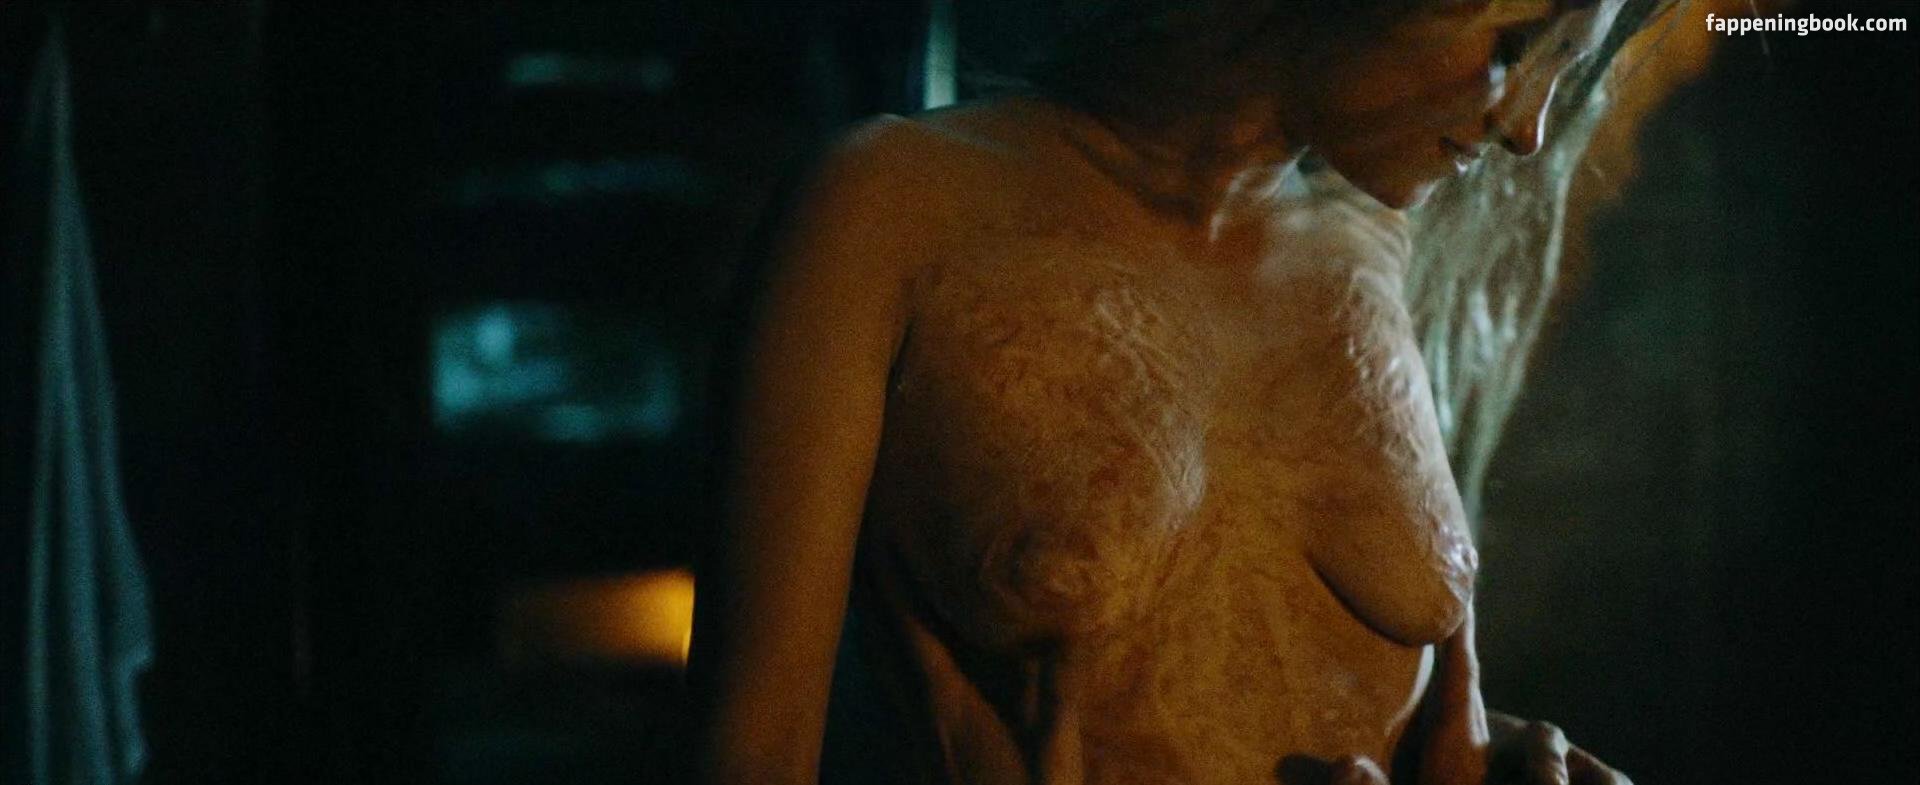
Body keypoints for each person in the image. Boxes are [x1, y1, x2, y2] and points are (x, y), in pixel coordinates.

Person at [697, 1, 1660, 782]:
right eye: (1515, 49)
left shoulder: (1376, 248)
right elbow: (752, 757)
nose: (1530, 130)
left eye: (1562, 71)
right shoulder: (890, 210)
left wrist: (1498, 757)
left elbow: (1248, 657)